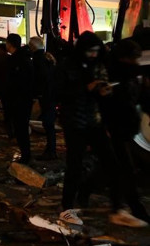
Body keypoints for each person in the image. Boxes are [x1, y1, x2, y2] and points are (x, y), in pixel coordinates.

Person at [55, 31, 146, 227]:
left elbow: (103, 94)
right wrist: (85, 88)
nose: (93, 55)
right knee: (75, 166)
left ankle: (117, 209)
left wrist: (104, 92)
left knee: (112, 164)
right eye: (90, 51)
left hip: (94, 122)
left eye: (96, 51)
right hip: (75, 124)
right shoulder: (67, 65)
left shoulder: (98, 65)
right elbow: (59, 93)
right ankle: (66, 208)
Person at [102, 38, 150, 223]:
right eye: (133, 58)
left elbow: (142, 99)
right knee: (125, 169)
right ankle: (132, 208)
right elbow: (107, 104)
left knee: (119, 167)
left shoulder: (135, 75)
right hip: (115, 128)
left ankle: (88, 190)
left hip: (129, 127)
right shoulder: (113, 74)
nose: (135, 61)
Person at [3, 33, 34, 163]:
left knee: (21, 128)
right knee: (21, 128)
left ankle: (26, 156)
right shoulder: (25, 58)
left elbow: (13, 82)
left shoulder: (16, 60)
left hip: (18, 100)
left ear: (10, 44)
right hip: (24, 99)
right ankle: (25, 154)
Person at [29, 36, 58, 160]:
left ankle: (51, 151)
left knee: (48, 123)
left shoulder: (38, 60)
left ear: (32, 47)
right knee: (49, 123)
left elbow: (40, 79)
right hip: (51, 95)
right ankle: (51, 149)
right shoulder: (48, 58)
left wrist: (37, 94)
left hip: (45, 96)